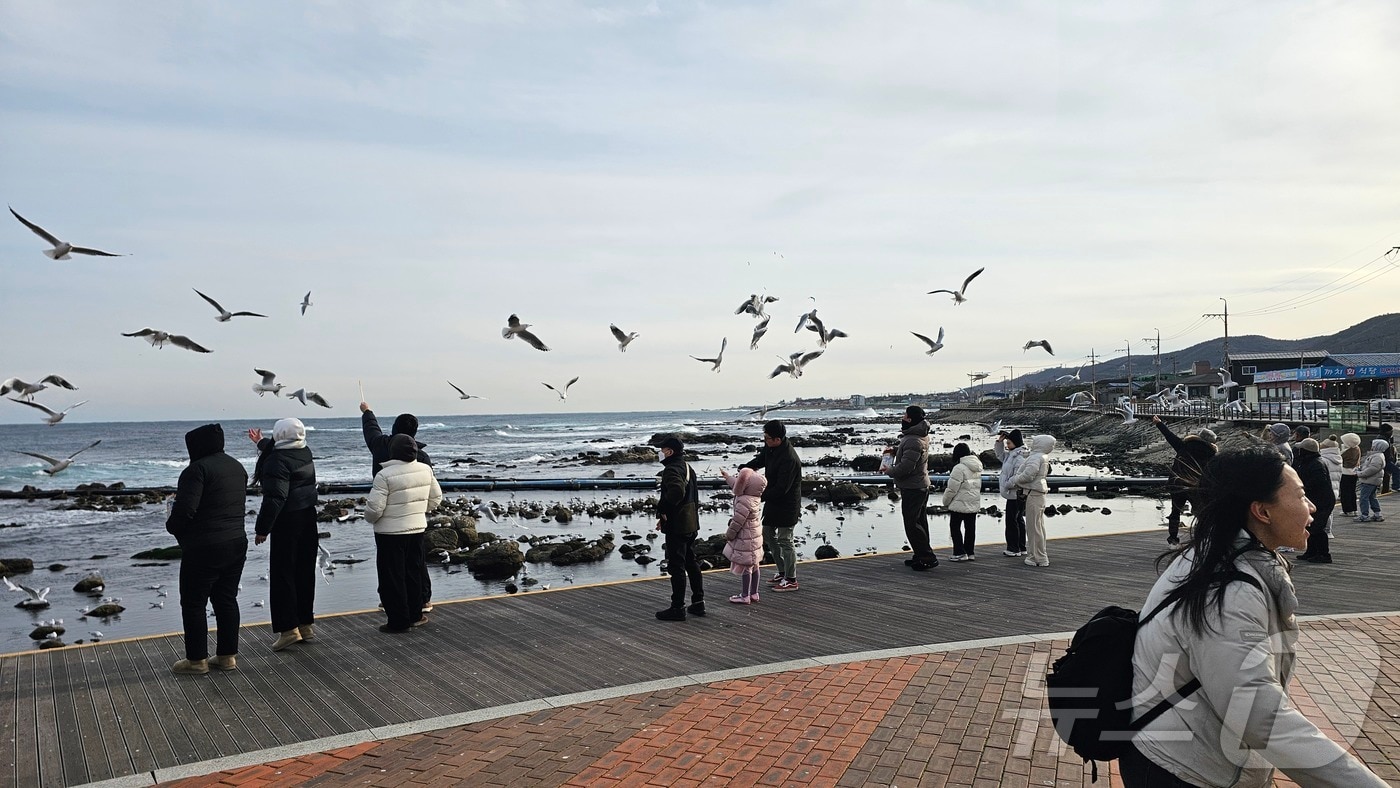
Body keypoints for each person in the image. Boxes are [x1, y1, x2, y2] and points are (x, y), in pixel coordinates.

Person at [1124, 447, 1388, 787]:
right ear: (1262, 511)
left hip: (1179, 755)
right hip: (1183, 772)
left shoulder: (1212, 555)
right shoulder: (1227, 593)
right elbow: (1257, 716)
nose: (1312, 507)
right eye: (1302, 495)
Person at [166, 423, 248, 675]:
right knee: (226, 599)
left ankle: (197, 660)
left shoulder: (196, 470)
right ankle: (227, 657)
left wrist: (172, 525)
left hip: (205, 545)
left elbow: (186, 509)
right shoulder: (237, 467)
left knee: (193, 602)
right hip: (236, 541)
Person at [251, 417, 319, 651]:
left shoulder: (275, 461)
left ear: (279, 435)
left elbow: (275, 497)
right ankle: (305, 623)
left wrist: (262, 529)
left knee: (283, 574)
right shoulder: (304, 451)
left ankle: (289, 630)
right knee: (304, 572)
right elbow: (281, 449)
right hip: (308, 516)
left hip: (287, 520)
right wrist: (260, 442)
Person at [361, 402, 435, 612]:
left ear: (394, 429)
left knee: (389, 566)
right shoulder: (422, 457)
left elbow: (371, 430)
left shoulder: (380, 446)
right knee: (416, 562)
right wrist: (423, 508)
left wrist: (367, 412)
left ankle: (392, 603)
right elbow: (433, 492)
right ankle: (422, 600)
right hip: (415, 519)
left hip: (388, 521)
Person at [365, 434, 443, 633]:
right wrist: (419, 511)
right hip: (416, 528)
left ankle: (398, 621)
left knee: (392, 577)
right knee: (413, 572)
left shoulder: (384, 475)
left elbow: (374, 509)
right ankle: (416, 615)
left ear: (393, 451)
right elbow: (436, 498)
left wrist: (370, 519)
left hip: (389, 533)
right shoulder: (425, 469)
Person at [741, 420, 802, 592]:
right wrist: (745, 469)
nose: (765, 440)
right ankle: (782, 572)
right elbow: (760, 460)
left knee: (785, 539)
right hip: (773, 502)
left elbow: (782, 489)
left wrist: (757, 495)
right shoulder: (770, 448)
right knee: (767, 533)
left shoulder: (790, 459)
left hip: (787, 504)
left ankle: (791, 579)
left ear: (777, 439)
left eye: (767, 438)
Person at [655, 436, 704, 621]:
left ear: (670, 452)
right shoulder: (687, 467)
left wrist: (664, 511)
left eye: (662, 449)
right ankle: (698, 603)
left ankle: (677, 607)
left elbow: (676, 492)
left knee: (676, 566)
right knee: (691, 562)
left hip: (678, 525)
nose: (660, 452)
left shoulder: (671, 470)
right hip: (691, 522)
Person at [1151, 416, 1218, 547]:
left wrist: (1159, 423)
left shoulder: (1183, 446)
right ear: (1212, 443)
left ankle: (1173, 540)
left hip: (1176, 484)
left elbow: (1169, 435)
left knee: (1175, 511)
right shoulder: (1211, 455)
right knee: (1201, 512)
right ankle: (1202, 538)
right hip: (1195, 486)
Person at [886, 405, 936, 570]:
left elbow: (907, 467)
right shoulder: (918, 435)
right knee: (920, 521)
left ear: (911, 419)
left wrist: (890, 471)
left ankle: (927, 557)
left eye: (905, 416)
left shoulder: (913, 439)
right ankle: (920, 554)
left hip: (913, 487)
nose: (903, 418)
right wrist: (896, 450)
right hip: (920, 485)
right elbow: (911, 454)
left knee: (912, 523)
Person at [720, 467, 766, 604]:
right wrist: (727, 477)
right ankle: (754, 593)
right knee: (755, 564)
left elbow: (738, 521)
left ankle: (745, 595)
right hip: (755, 534)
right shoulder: (754, 495)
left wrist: (729, 534)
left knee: (746, 566)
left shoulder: (744, 500)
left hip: (746, 536)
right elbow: (737, 485)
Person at [1013, 434, 1055, 567]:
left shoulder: (1036, 458)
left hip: (1033, 494)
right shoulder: (1043, 457)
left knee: (1033, 528)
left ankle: (1036, 557)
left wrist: (1017, 479)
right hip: (1039, 493)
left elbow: (1028, 475)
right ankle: (1040, 554)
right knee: (1038, 526)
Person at [1293, 438, 1337, 564]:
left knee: (1318, 527)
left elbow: (1318, 482)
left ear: (1305, 451)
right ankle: (1311, 551)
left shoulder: (1316, 464)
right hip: (1317, 499)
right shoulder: (1310, 461)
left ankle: (1324, 554)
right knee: (1310, 526)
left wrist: (1303, 488)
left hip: (1322, 501)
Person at [941, 442, 982, 562]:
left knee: (955, 527)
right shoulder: (977, 466)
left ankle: (959, 552)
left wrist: (945, 501)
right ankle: (970, 552)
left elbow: (952, 489)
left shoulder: (959, 468)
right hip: (973, 502)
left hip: (959, 503)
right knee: (970, 528)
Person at [993, 429, 1029, 557]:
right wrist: (999, 442)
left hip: (1015, 494)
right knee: (1018, 519)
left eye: (1009, 443)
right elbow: (1000, 456)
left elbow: (1017, 477)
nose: (1007, 445)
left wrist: (1006, 484)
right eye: (1007, 443)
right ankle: (1021, 547)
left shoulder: (1019, 457)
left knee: (1012, 521)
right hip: (1015, 494)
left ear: (1016, 443)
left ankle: (1013, 548)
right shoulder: (1012, 454)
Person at [1356, 438, 1387, 522]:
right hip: (1373, 480)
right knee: (1372, 497)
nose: (1371, 446)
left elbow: (1372, 469)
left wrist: (1360, 473)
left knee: (1363, 498)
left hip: (1369, 480)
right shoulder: (1377, 455)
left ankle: (1364, 515)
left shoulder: (1376, 457)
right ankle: (1378, 514)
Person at [1339, 432, 1362, 516]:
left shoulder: (1348, 451)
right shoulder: (1357, 448)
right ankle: (1354, 509)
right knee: (1352, 492)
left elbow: (1340, 458)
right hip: (1354, 472)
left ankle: (1347, 510)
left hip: (1345, 473)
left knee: (1345, 492)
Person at [1380, 423, 1397, 494]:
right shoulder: (1383, 440)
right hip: (1385, 460)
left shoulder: (1387, 438)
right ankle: (1396, 486)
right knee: (1396, 471)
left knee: (1388, 475)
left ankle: (1386, 489)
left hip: (1387, 459)